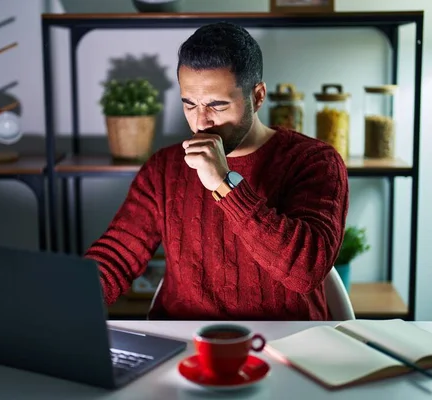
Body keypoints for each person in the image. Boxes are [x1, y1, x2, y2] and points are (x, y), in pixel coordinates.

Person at [85, 22, 349, 320]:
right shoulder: (164, 168)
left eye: (217, 106)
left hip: (285, 343)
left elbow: (306, 272)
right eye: (189, 104)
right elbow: (116, 257)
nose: (201, 122)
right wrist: (66, 302)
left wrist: (225, 183)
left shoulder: (314, 161)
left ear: (258, 97)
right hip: (187, 345)